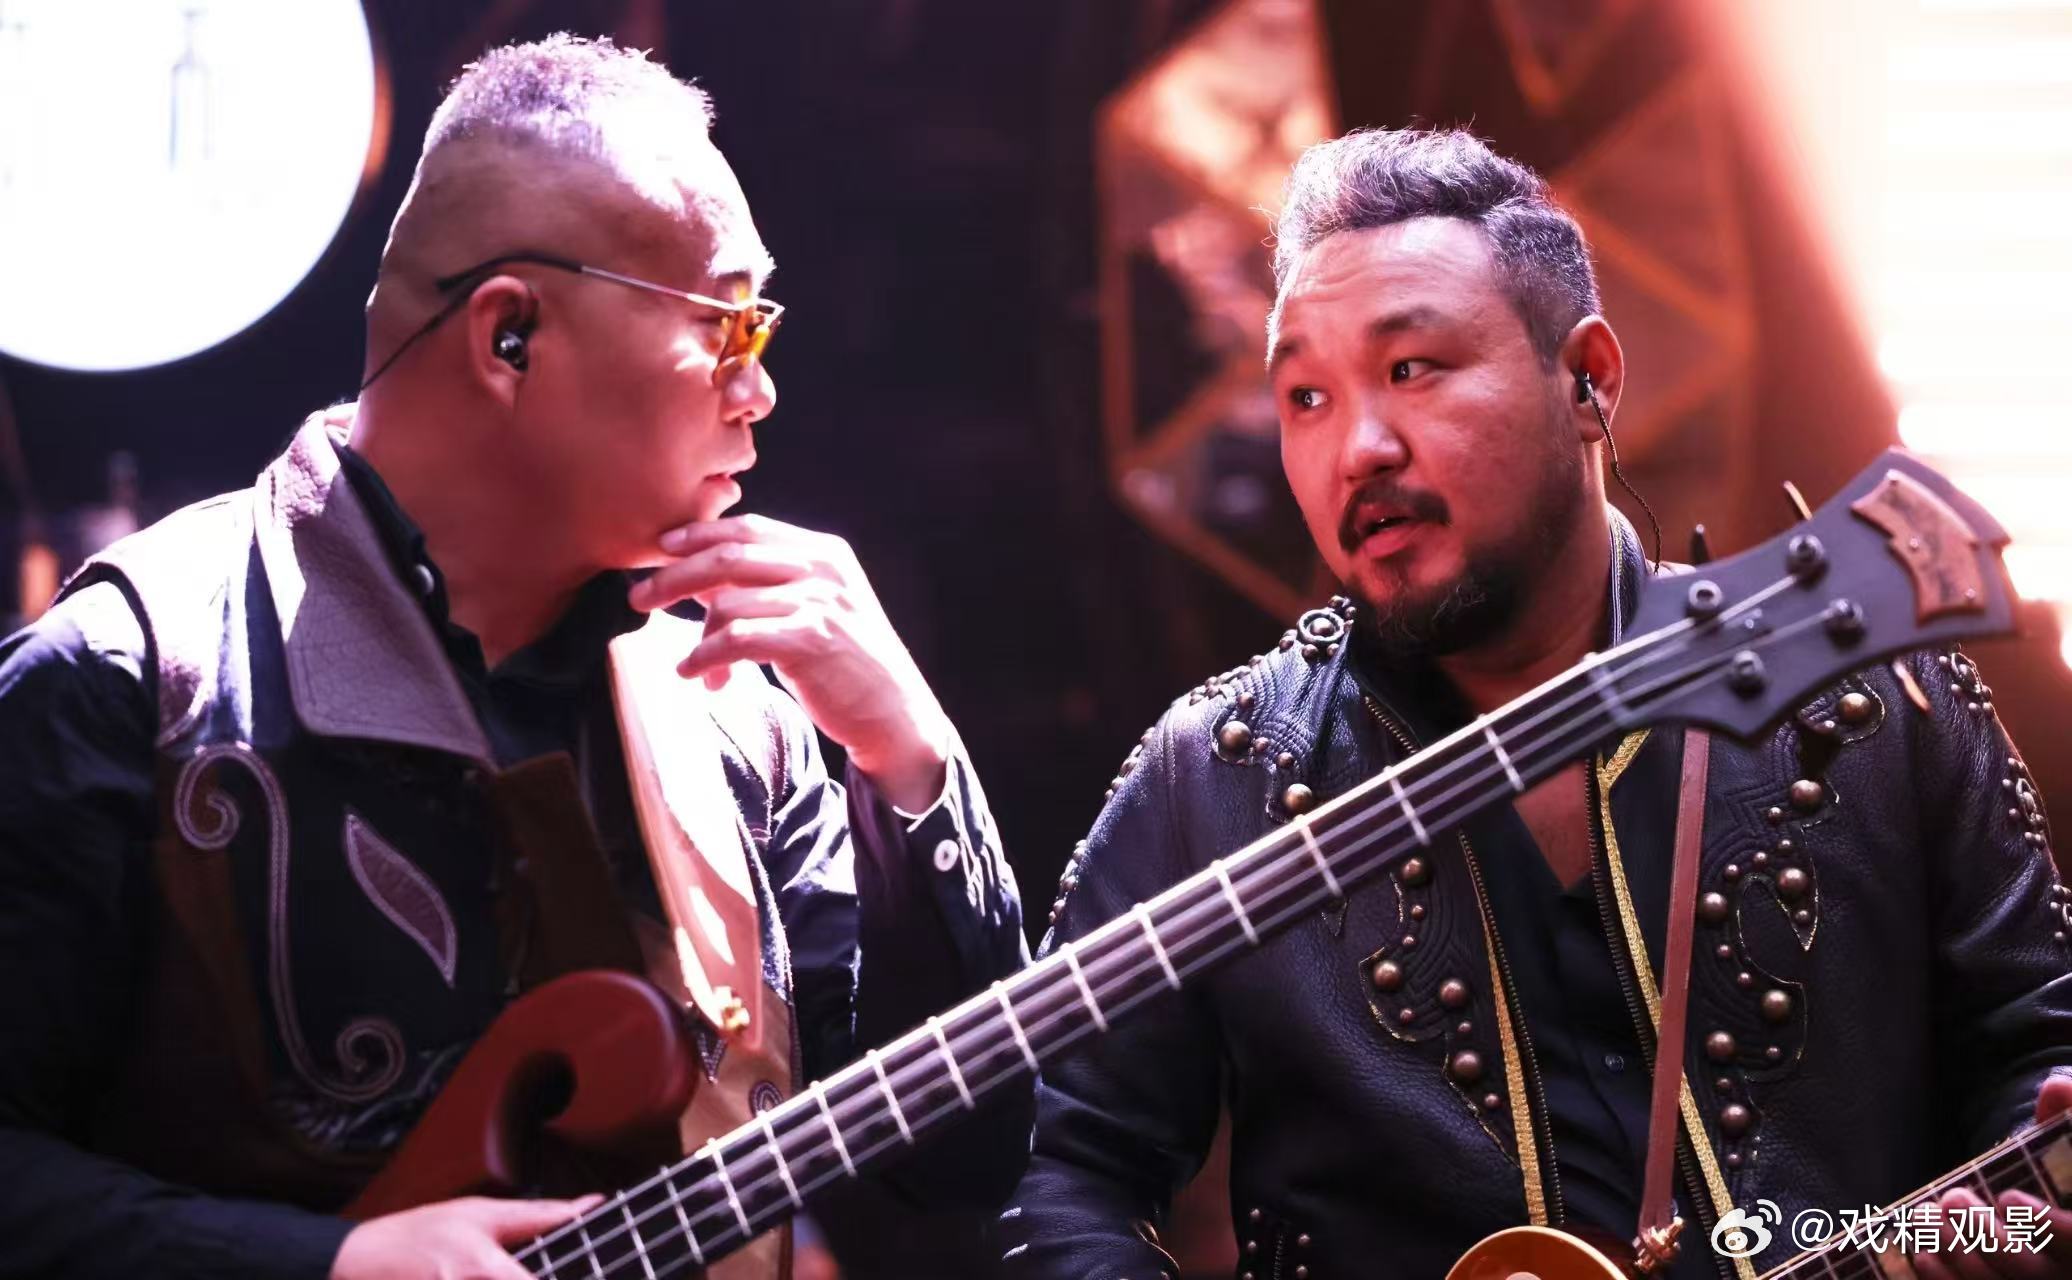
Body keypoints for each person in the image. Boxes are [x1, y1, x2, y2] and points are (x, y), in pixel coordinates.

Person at [0, 34, 1026, 1280]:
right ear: (511, 338)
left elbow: (959, 1164)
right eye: (730, 325)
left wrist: (912, 764)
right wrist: (325, 1265)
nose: (758, 393)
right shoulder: (127, 676)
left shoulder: (739, 718)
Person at [999, 127, 2072, 1280]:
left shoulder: (1871, 693)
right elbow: (1056, 1174)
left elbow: (2036, 1051)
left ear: (1588, 380)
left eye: (1410, 368)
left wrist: (1996, 1234)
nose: (1357, 447)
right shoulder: (1212, 774)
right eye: (1305, 395)